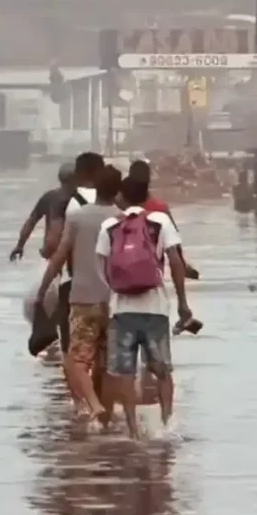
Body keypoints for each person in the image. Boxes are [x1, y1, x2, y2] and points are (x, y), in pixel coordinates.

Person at [96, 174, 192, 439]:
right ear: (146, 194)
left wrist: (115, 294)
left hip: (122, 310)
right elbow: (175, 262)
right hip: (156, 308)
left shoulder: (109, 226)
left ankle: (133, 430)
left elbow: (102, 268)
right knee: (162, 370)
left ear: (121, 198)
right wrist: (183, 304)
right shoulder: (159, 222)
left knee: (125, 372)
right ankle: (166, 425)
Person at [35, 165, 121, 421]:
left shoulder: (78, 216)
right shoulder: (123, 217)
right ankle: (105, 419)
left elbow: (59, 255)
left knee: (76, 360)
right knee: (105, 364)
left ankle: (93, 406)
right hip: (116, 302)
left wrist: (42, 289)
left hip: (83, 298)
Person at [43, 152, 104, 355]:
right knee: (107, 358)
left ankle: (71, 386)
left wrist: (42, 290)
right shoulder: (116, 202)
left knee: (74, 356)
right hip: (114, 291)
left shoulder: (67, 202)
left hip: (78, 288)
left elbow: (55, 246)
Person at [9, 162, 75, 262]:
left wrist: (20, 245)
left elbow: (31, 222)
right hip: (74, 255)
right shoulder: (83, 199)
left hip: (52, 253)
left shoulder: (49, 197)